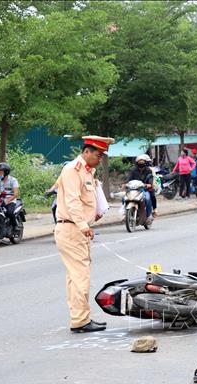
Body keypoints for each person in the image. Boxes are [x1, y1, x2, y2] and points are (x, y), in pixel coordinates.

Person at [54, 135, 115, 333]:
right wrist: (82, 225)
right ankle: (80, 320)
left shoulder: (88, 172)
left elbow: (86, 200)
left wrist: (93, 216)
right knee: (81, 276)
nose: (100, 158)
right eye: (98, 154)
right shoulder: (73, 170)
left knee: (75, 277)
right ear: (86, 151)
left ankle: (79, 318)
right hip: (72, 228)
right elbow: (72, 201)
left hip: (77, 229)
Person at [125, 154, 154, 219]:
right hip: (133, 190)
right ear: (137, 162)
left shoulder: (148, 170)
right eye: (139, 161)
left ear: (145, 162)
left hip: (144, 190)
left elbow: (150, 179)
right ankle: (125, 214)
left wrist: (149, 184)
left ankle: (148, 215)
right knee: (124, 199)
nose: (141, 163)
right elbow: (129, 179)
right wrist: (126, 184)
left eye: (142, 161)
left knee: (147, 199)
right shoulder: (133, 170)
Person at [0, 163, 20, 227]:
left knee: (9, 212)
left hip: (10, 200)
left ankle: (15, 226)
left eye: (0, 171)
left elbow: (15, 194)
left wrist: (7, 201)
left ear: (6, 172)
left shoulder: (13, 180)